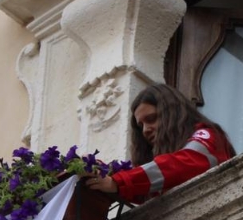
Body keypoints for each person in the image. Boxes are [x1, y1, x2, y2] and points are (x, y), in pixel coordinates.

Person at [84, 83, 234, 202]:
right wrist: (99, 171)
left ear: (172, 115)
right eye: (140, 125)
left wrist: (118, 182)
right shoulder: (158, 175)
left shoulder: (208, 135)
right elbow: (144, 190)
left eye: (151, 119)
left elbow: (181, 165)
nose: (145, 130)